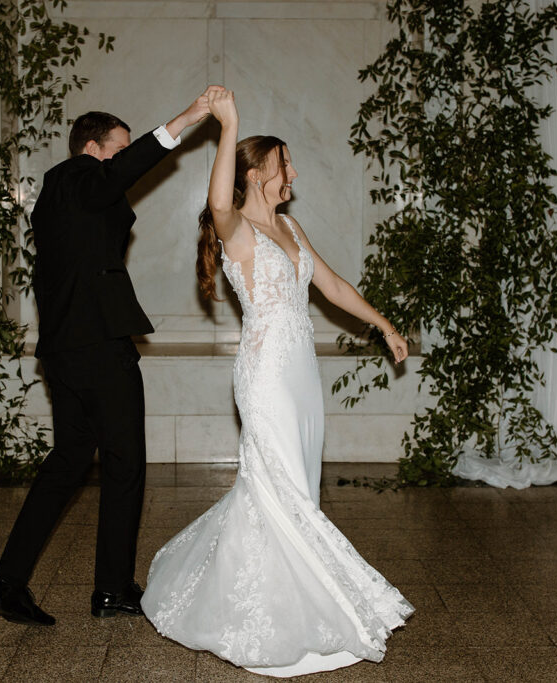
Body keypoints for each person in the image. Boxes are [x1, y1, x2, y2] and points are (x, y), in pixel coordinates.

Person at [140, 89, 414, 677]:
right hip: (264, 376)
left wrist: (383, 324)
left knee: (298, 487)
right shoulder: (237, 231)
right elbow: (217, 205)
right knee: (276, 486)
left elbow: (334, 286)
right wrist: (227, 125)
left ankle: (297, 598)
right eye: (285, 162)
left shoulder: (290, 226)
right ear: (259, 171)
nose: (293, 172)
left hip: (302, 377)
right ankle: (272, 613)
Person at [0, 87, 221, 626]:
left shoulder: (72, 199)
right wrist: (184, 119)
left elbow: (106, 210)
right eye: (120, 146)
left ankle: (7, 583)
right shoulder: (74, 176)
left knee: (68, 461)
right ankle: (111, 589)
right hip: (95, 347)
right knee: (124, 464)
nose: (124, 154)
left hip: (67, 350)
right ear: (93, 148)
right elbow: (116, 176)